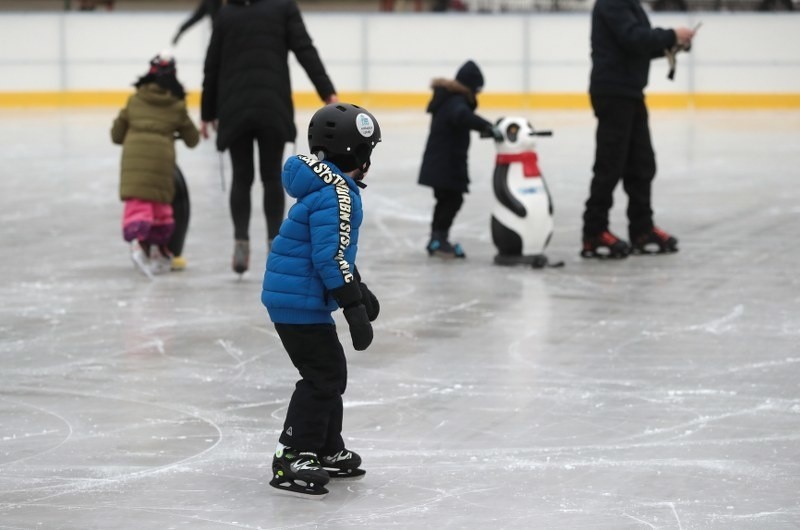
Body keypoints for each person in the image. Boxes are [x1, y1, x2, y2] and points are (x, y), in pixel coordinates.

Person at [261, 103, 382, 498]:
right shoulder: (338, 194)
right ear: (358, 155)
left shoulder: (326, 187)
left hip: (298, 297)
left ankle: (326, 448)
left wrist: (358, 290)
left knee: (331, 372)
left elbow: (335, 250)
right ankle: (293, 452)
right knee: (323, 375)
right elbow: (329, 257)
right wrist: (353, 308)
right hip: (299, 301)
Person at [200, 0, 338, 275]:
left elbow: (212, 66)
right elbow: (304, 49)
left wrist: (207, 113)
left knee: (242, 176)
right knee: (271, 176)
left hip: (234, 108)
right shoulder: (283, 7)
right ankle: (275, 241)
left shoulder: (227, 13)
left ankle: (241, 239)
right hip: (272, 106)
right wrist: (327, 91)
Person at [580, 0, 695, 259]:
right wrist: (671, 35)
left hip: (630, 93)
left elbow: (638, 46)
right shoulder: (612, 3)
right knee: (610, 165)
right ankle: (594, 231)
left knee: (641, 164)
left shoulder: (630, 4)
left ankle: (642, 229)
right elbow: (632, 38)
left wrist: (673, 44)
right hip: (613, 92)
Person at [111, 51, 200, 277]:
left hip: (133, 159)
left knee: (139, 204)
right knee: (161, 207)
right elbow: (193, 139)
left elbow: (116, 135)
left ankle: (138, 244)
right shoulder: (176, 105)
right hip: (162, 162)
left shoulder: (135, 99)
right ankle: (160, 252)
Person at [418, 60, 499, 259]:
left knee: (446, 200)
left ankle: (437, 239)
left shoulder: (448, 98)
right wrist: (488, 127)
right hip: (446, 163)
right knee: (451, 200)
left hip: (442, 162)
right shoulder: (456, 101)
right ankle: (438, 239)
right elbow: (462, 116)